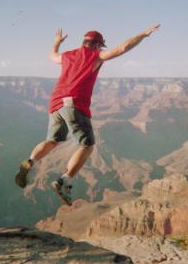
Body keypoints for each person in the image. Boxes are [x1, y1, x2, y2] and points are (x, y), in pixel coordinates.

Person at [15, 24, 160, 205]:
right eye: (101, 46)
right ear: (98, 45)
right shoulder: (95, 56)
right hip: (74, 103)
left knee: (53, 140)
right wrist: (142, 34)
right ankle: (65, 181)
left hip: (55, 102)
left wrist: (56, 43)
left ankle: (30, 161)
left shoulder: (67, 55)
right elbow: (123, 48)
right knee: (88, 145)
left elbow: (52, 56)